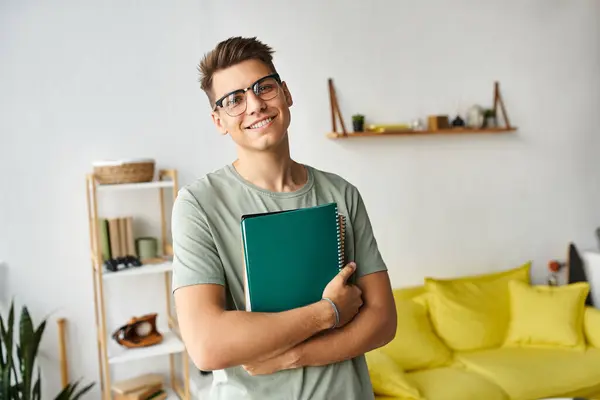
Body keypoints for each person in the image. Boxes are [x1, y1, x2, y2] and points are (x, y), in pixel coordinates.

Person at [171, 36, 397, 400]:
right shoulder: (197, 204)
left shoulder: (342, 194)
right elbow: (207, 344)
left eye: (265, 87)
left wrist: (295, 355)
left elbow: (383, 320)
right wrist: (328, 313)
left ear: (286, 93)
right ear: (218, 121)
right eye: (235, 100)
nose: (256, 104)